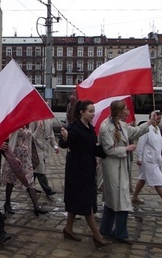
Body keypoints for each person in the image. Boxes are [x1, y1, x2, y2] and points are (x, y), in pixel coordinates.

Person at [98, 100, 155, 244]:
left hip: (121, 167)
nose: (128, 111)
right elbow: (108, 150)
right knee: (121, 200)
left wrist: (149, 122)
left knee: (112, 201)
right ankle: (120, 234)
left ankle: (105, 230)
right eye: (126, 109)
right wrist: (126, 149)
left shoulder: (121, 125)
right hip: (112, 168)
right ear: (118, 111)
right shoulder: (105, 127)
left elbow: (135, 131)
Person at [58, 100, 112, 248]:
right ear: (82, 112)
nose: (93, 114)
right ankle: (97, 237)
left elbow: (93, 149)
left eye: (93, 111)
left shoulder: (90, 128)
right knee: (86, 203)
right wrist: (64, 137)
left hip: (88, 169)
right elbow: (64, 143)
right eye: (90, 111)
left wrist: (109, 149)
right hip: (77, 170)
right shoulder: (74, 128)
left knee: (77, 200)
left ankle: (68, 229)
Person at [1, 124, 48, 216]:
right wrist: (11, 157)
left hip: (26, 159)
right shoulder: (14, 125)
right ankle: (7, 204)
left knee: (29, 180)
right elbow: (8, 141)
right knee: (10, 180)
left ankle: (36, 206)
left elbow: (32, 138)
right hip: (14, 157)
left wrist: (38, 129)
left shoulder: (27, 126)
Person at [132, 111, 162, 208]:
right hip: (148, 159)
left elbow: (158, 142)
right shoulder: (146, 129)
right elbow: (141, 144)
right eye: (156, 119)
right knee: (157, 179)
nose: (158, 121)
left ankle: (135, 196)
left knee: (142, 178)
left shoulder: (157, 129)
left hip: (156, 158)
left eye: (159, 119)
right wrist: (139, 157)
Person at [31, 105, 60, 197]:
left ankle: (30, 187)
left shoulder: (49, 120)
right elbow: (30, 137)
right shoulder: (34, 120)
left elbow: (51, 135)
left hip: (45, 150)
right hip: (36, 149)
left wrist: (55, 146)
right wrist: (38, 129)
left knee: (35, 170)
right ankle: (47, 189)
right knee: (40, 171)